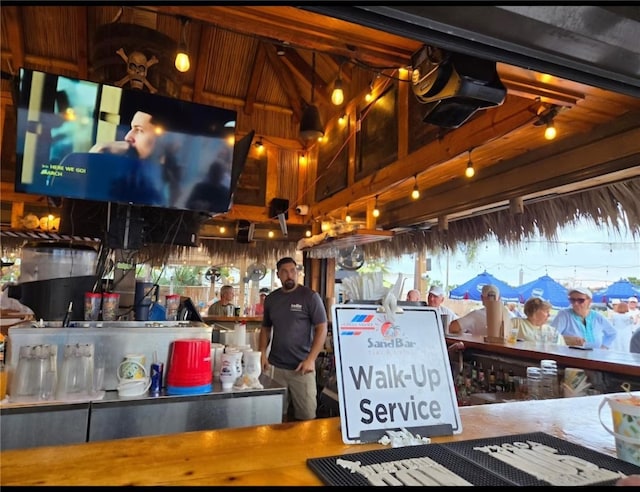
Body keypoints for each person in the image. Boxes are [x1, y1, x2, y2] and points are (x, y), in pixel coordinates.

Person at [259, 257, 327, 421]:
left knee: (307, 417)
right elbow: (265, 329)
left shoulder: (310, 296)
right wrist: (261, 353)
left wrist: (311, 359)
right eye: (284, 272)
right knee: (274, 417)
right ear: (278, 275)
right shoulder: (272, 299)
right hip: (275, 368)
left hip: (302, 368)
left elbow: (322, 328)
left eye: (292, 271)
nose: (289, 275)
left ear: (297, 273)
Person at [550, 287, 616, 349]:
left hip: (594, 358)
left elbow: (612, 333)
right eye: (572, 300)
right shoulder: (564, 315)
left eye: (580, 300)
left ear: (589, 301)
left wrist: (604, 347)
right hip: (569, 358)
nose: (576, 303)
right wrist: (567, 339)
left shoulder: (598, 317)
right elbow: (551, 336)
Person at [447, 284, 512, 337]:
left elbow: (453, 327)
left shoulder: (476, 314)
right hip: (506, 351)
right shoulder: (507, 314)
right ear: (499, 298)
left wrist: (465, 333)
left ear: (482, 298)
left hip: (482, 351)